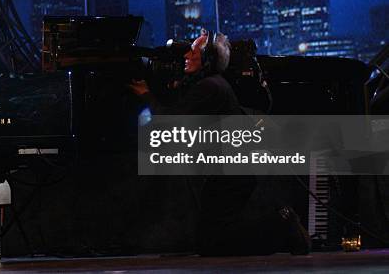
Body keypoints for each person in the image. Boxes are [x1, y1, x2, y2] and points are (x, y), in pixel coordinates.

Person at [130, 31, 311, 256]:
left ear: (207, 60)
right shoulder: (210, 84)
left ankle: (281, 226)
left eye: (194, 52)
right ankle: (280, 228)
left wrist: (147, 96)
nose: (187, 55)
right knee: (212, 239)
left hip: (232, 174)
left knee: (212, 242)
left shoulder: (210, 87)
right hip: (229, 171)